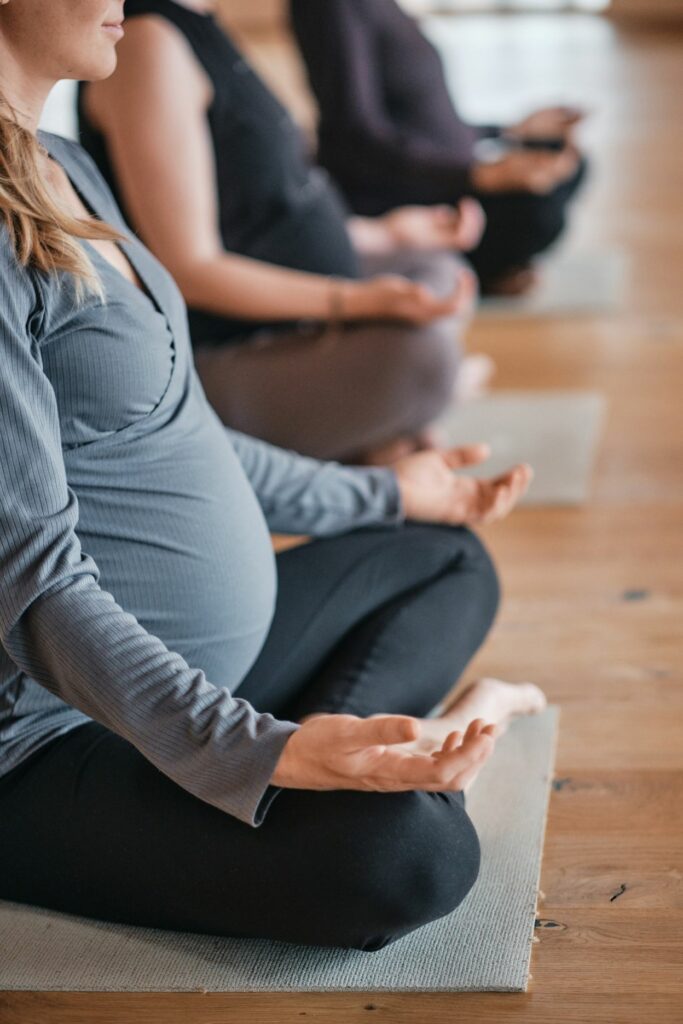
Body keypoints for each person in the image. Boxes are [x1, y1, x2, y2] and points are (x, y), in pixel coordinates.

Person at [0, 0, 545, 951]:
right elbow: (31, 585)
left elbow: (186, 434)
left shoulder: (62, 165)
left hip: (208, 673)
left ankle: (330, 751)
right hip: (49, 741)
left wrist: (388, 493)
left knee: (444, 555)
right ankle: (340, 752)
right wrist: (258, 749)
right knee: (407, 858)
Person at [76, 0, 494, 466]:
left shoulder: (202, 28)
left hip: (298, 311)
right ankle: (393, 422)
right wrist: (358, 303)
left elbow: (267, 212)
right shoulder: (149, 44)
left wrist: (388, 233)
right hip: (228, 350)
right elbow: (190, 268)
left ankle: (383, 430)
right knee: (428, 358)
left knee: (435, 270)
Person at [289, 0, 588, 297]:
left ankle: (494, 256)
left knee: (564, 158)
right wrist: (475, 175)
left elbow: (433, 121)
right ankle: (479, 270)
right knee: (542, 212)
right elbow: (356, 139)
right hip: (398, 188)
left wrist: (513, 131)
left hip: (446, 167)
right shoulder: (329, 7)